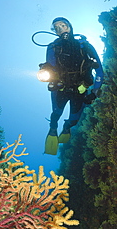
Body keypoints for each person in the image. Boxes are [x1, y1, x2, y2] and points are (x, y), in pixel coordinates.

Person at [42, 17, 104, 155]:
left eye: (62, 25)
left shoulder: (85, 46)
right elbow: (50, 67)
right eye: (56, 28)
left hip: (80, 90)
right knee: (55, 114)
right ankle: (53, 129)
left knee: (74, 120)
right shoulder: (53, 47)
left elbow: (99, 71)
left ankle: (66, 127)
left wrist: (94, 92)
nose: (60, 29)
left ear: (70, 27)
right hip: (60, 89)